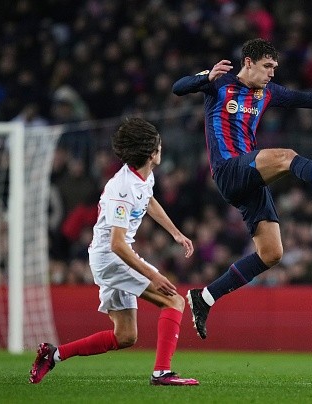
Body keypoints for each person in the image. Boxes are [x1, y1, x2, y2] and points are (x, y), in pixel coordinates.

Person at [172, 38, 312, 340]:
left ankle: (205, 298)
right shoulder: (219, 83)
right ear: (248, 62)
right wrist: (203, 78)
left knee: (272, 253)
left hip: (251, 178)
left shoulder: (269, 92)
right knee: (287, 156)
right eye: (268, 66)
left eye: (274, 67)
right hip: (229, 170)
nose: (273, 73)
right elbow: (178, 87)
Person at [29, 117, 199, 386]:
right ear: (152, 153)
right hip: (112, 258)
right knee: (174, 301)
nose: (161, 148)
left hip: (110, 256)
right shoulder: (120, 188)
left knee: (125, 336)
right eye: (158, 145)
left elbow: (149, 199)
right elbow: (117, 244)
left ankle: (53, 355)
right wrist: (153, 276)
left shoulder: (144, 176)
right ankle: (162, 372)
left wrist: (175, 233)